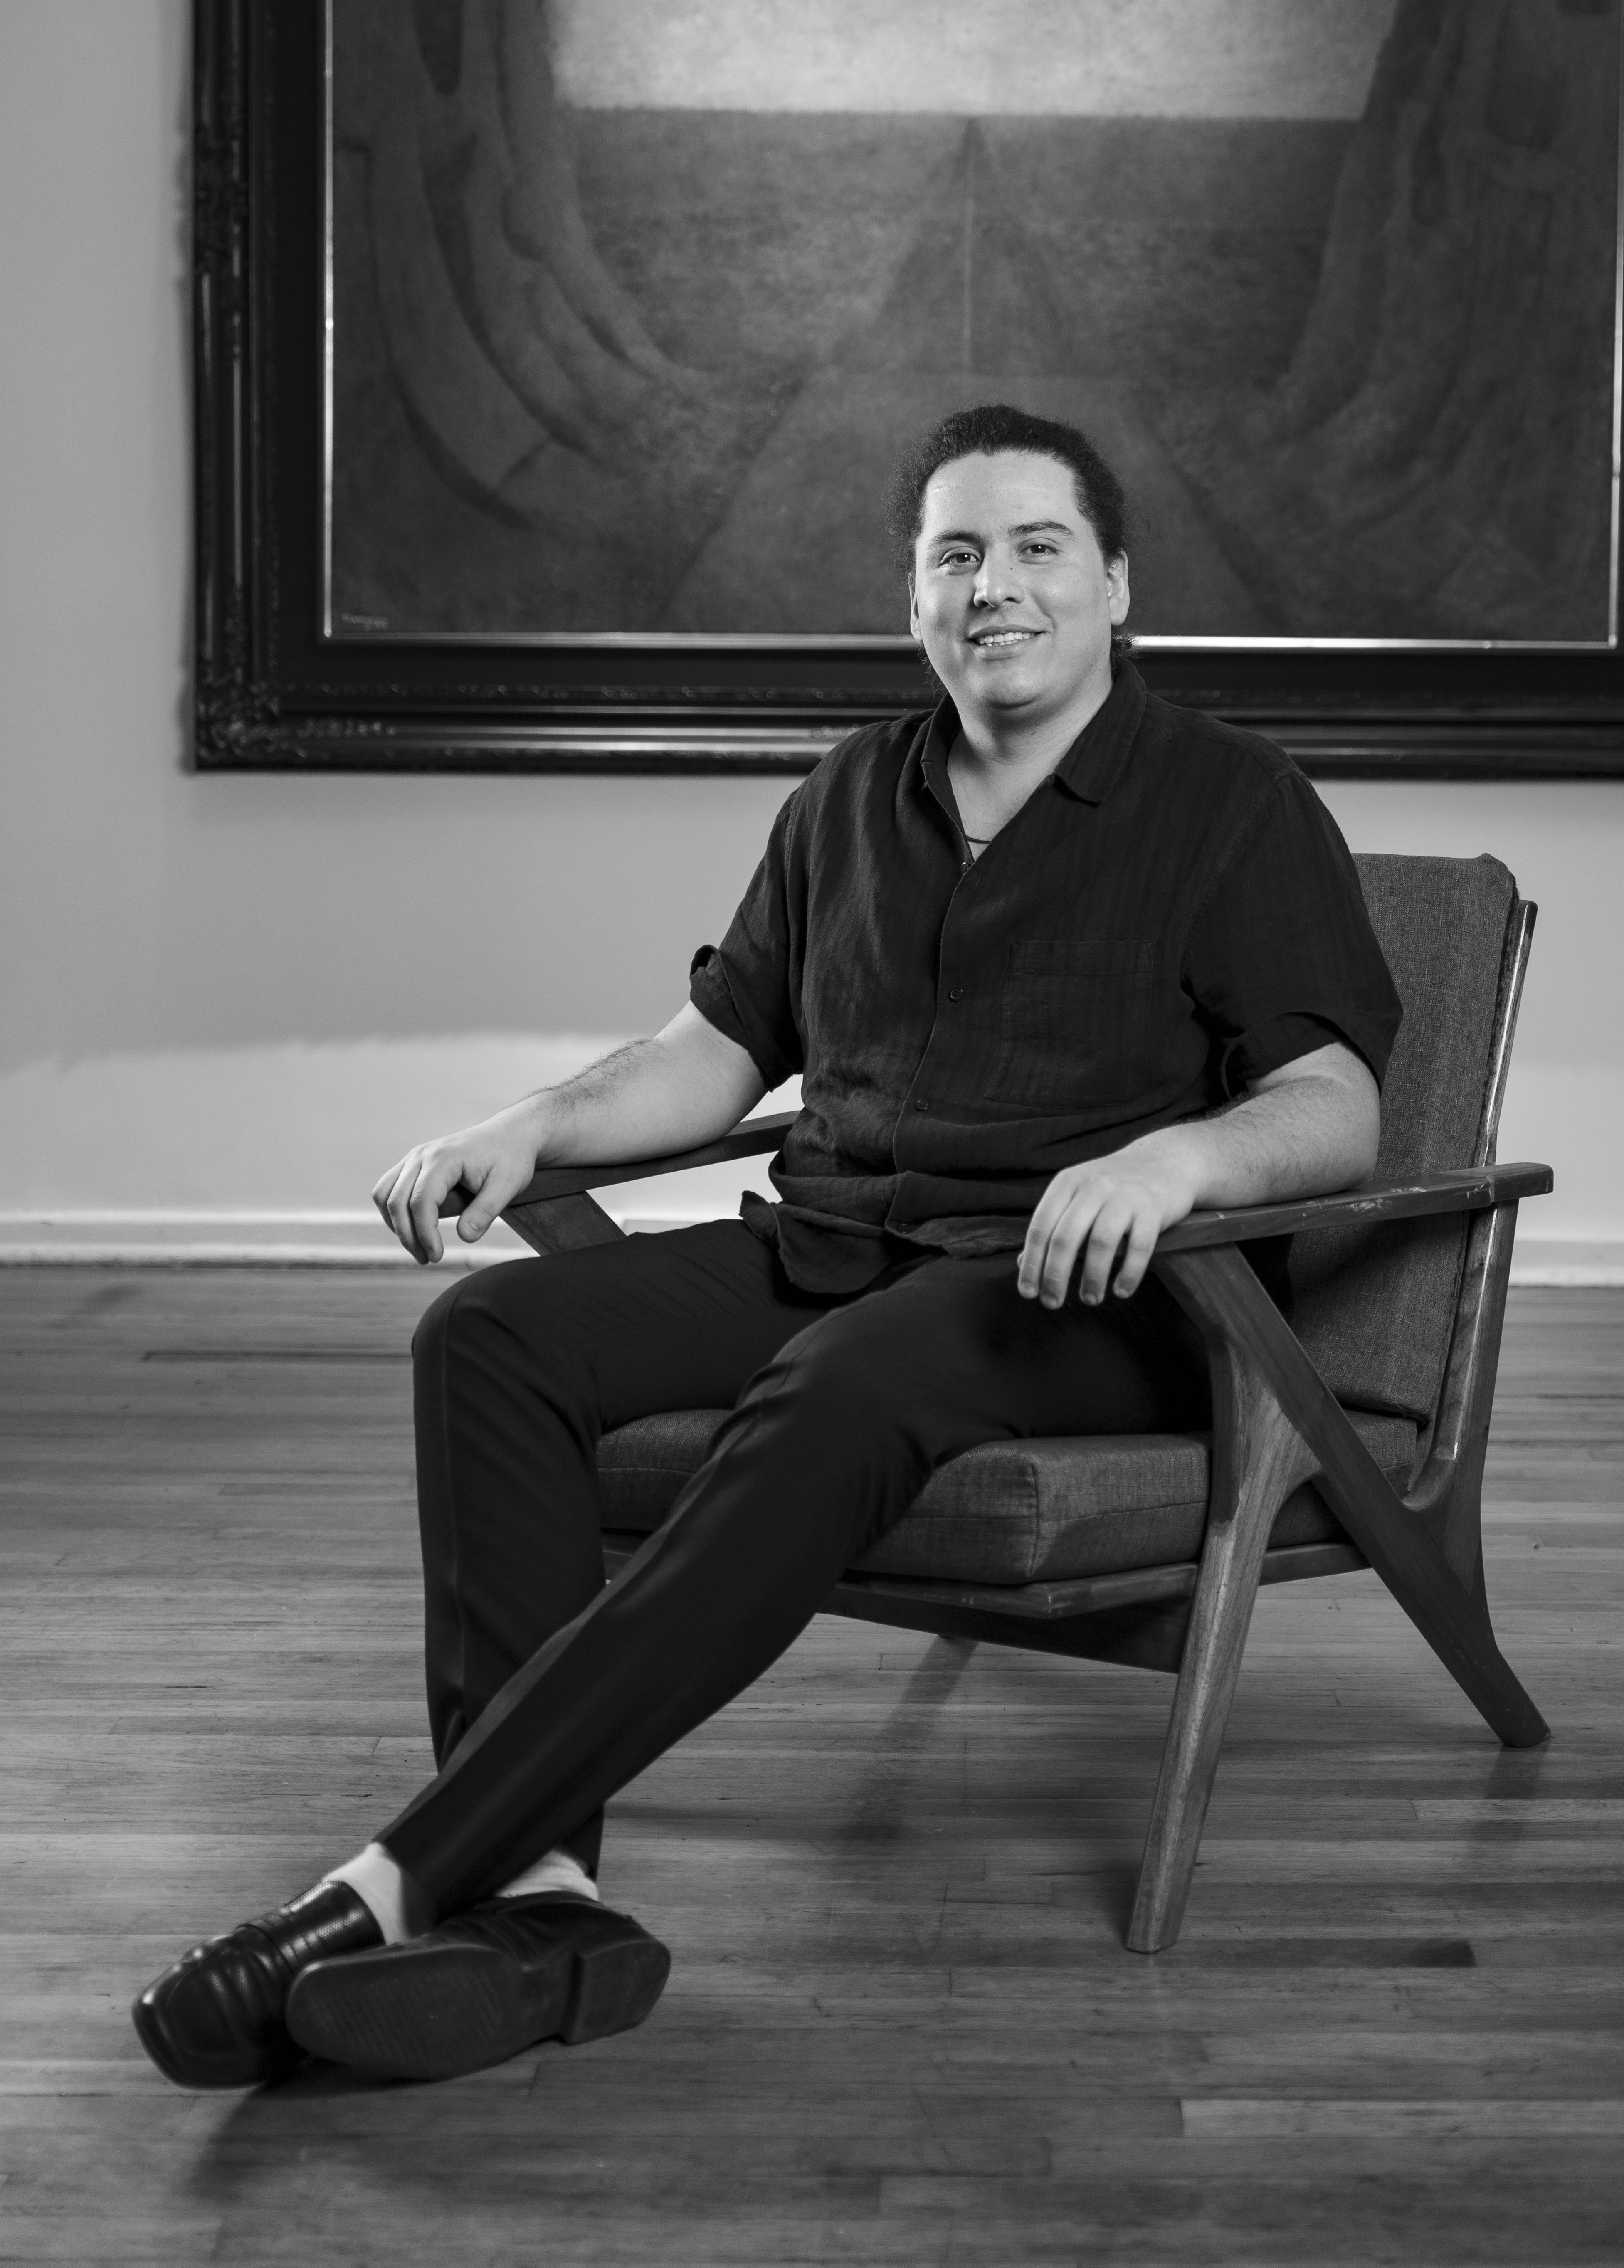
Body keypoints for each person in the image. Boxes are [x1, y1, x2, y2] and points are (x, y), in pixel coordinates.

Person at [133, 402, 1401, 2090]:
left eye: (1038, 549)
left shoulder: (1237, 802)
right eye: (956, 554)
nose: (996, 588)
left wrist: (1178, 1157)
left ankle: (388, 1882)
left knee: (843, 1382)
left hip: (1072, 1294)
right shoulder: (848, 796)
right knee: (490, 1338)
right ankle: (545, 1901)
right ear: (913, 595)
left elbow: (1336, 1104)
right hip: (833, 1245)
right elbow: (715, 1052)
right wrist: (533, 1125)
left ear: (1115, 585)